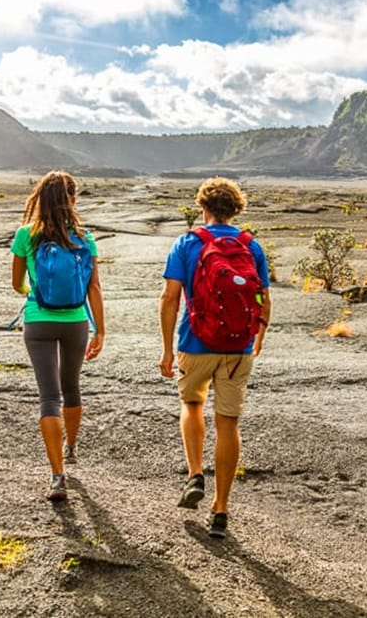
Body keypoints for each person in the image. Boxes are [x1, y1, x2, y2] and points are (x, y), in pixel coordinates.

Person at [159, 176, 271, 539]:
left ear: (202, 207)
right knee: (229, 423)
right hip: (237, 347)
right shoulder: (251, 246)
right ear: (236, 208)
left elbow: (170, 298)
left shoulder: (187, 243)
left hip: (195, 343)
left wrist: (165, 348)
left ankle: (195, 473)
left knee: (191, 404)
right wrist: (259, 336)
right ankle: (220, 509)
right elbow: (262, 298)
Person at [11, 170, 104, 502]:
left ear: (40, 199)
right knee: (71, 386)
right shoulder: (86, 237)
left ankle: (57, 476)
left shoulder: (26, 235)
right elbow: (94, 287)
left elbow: (17, 283)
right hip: (76, 320)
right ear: (72, 200)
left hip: (38, 321)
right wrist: (100, 329)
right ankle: (72, 447)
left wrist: (33, 293)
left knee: (49, 397)